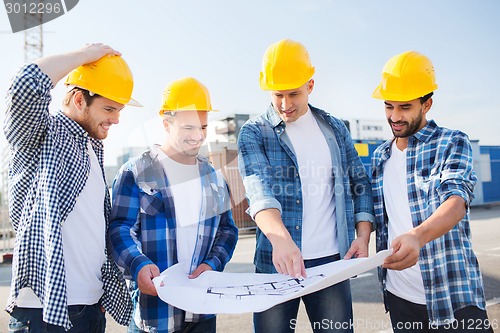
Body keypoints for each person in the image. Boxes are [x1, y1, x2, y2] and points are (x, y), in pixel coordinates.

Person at [237, 39, 374, 333]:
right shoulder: (254, 132)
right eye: (278, 95)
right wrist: (282, 240)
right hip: (276, 262)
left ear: (310, 86)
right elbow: (258, 190)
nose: (285, 105)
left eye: (294, 94)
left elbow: (359, 182)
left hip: (330, 264)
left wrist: (363, 236)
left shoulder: (335, 128)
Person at [4, 43, 141, 331]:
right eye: (108, 108)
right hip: (44, 311)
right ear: (79, 100)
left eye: (119, 110)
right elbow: (26, 84)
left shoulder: (92, 149)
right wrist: (85, 56)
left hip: (90, 308)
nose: (116, 119)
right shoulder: (42, 136)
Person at [371, 50, 493, 332]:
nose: (395, 116)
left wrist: (417, 236)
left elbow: (457, 198)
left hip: (452, 293)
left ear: (427, 105)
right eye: (389, 106)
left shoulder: (451, 142)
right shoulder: (380, 157)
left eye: (405, 107)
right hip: (400, 296)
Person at [109, 76, 238, 333]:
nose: (198, 136)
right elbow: (120, 229)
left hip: (202, 313)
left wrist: (211, 265)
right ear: (166, 124)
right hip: (155, 315)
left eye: (202, 127)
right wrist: (138, 264)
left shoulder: (213, 178)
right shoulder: (136, 172)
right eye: (188, 128)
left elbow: (227, 231)